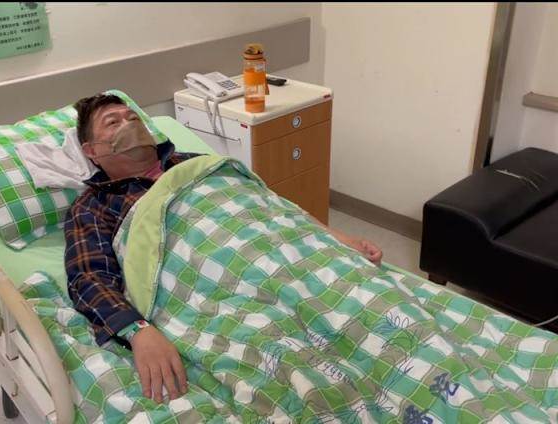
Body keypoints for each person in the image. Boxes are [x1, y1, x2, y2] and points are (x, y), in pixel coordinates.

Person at [64, 93, 383, 405]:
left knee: (376, 307)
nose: (129, 124)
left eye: (133, 117)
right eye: (113, 122)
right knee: (292, 370)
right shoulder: (94, 206)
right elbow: (89, 277)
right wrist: (138, 331)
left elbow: (272, 204)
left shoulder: (199, 164)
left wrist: (336, 237)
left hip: (286, 253)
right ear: (92, 151)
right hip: (218, 287)